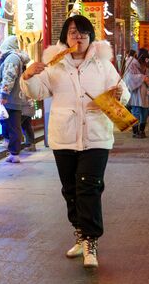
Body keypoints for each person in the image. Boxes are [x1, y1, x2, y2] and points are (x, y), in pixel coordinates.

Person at [20, 15, 130, 269]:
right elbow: (38, 93)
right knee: (70, 189)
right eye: (72, 33)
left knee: (89, 187)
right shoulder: (54, 65)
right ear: (64, 37)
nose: (77, 37)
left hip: (97, 137)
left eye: (82, 33)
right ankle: (80, 234)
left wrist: (118, 94)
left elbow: (123, 94)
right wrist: (29, 76)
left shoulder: (104, 64)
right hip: (64, 137)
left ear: (90, 37)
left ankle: (91, 241)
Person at [0, 35, 30, 163]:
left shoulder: (11, 59)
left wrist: (3, 95)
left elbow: (9, 77)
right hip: (14, 99)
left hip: (4, 99)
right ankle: (14, 154)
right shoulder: (16, 58)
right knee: (14, 126)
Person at [123, 48, 149, 138]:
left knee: (145, 112)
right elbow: (129, 77)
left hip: (144, 91)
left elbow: (148, 77)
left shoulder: (144, 65)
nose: (146, 60)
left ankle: (142, 130)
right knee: (136, 112)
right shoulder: (131, 63)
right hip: (135, 92)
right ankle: (135, 132)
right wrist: (142, 77)